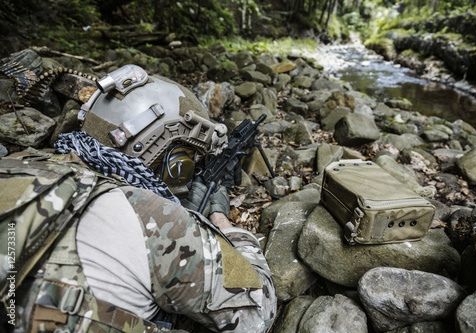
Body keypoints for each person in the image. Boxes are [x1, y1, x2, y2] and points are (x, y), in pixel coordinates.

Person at [1, 65, 277, 332]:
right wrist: (222, 223)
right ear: (173, 160)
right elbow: (257, 314)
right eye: (191, 158)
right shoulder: (149, 217)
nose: (192, 168)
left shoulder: (21, 160)